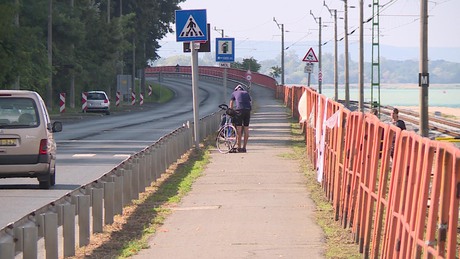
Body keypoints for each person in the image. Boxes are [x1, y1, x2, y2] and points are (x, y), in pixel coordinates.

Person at [229, 84, 252, 153]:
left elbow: (231, 105)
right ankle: (244, 148)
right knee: (246, 128)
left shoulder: (234, 93)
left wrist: (231, 112)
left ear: (236, 89)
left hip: (239, 110)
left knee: (239, 129)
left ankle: (239, 148)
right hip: (248, 110)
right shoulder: (246, 93)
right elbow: (250, 102)